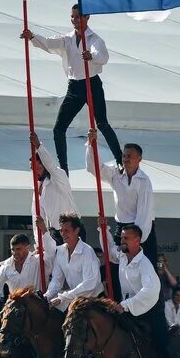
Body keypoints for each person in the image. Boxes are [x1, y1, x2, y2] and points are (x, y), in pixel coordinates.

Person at [21, 4, 122, 173]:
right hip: (75, 87)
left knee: (102, 123)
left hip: (92, 85)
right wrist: (32, 37)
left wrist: (92, 56)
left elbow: (102, 56)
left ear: (87, 17)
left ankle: (119, 159)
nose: (75, 20)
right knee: (58, 129)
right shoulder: (67, 39)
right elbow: (48, 43)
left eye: (78, 17)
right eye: (72, 17)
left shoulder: (94, 39)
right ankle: (64, 169)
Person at [102, 222, 180, 358]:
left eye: (126, 238)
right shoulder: (122, 256)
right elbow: (109, 250)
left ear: (137, 241)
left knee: (162, 341)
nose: (122, 241)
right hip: (128, 309)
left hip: (150, 310)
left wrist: (125, 305)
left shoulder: (144, 264)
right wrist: (103, 229)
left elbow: (150, 291)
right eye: (121, 238)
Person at [86, 128, 157, 265]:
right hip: (122, 227)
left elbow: (144, 213)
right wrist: (91, 144)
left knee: (145, 266)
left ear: (139, 159)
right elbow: (94, 168)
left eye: (130, 156)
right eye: (124, 156)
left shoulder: (144, 181)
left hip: (142, 230)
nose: (126, 159)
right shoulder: (115, 173)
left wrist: (135, 239)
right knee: (117, 266)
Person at [44, 213, 103, 312]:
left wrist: (64, 297)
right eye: (61, 231)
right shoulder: (61, 252)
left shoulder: (87, 252)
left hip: (93, 301)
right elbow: (57, 280)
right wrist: (47, 296)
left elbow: (89, 284)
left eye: (66, 231)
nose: (63, 234)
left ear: (77, 230)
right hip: (74, 299)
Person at [29, 132, 77, 248]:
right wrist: (38, 242)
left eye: (38, 168)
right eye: (32, 169)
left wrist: (39, 146)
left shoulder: (59, 176)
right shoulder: (38, 187)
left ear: (44, 165)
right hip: (55, 232)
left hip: (72, 229)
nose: (35, 172)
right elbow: (37, 216)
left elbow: (50, 165)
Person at [0, 233, 48, 309]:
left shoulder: (38, 261)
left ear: (27, 248)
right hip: (16, 309)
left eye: (18, 249)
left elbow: (51, 253)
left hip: (35, 308)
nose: (14, 253)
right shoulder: (6, 267)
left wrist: (44, 230)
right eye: (12, 249)